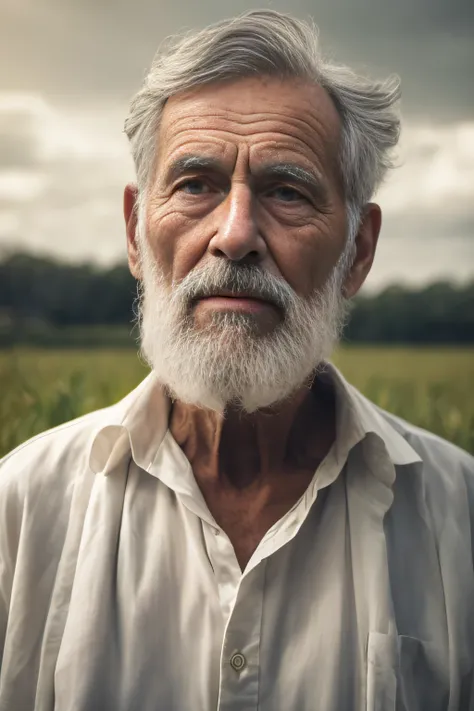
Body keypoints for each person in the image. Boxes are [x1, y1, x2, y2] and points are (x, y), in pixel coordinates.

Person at [0, 10, 473, 711]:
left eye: (287, 191)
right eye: (196, 184)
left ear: (359, 252)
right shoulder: (20, 509)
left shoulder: (458, 518)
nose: (237, 233)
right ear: (135, 232)